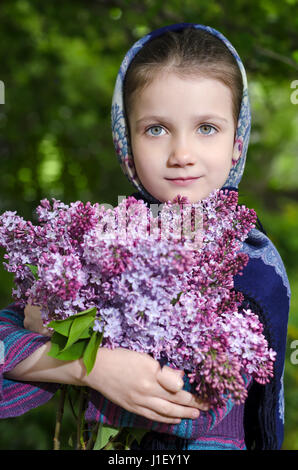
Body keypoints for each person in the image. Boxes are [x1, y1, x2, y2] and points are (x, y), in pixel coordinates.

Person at [0, 23, 290, 450]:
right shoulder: (99, 242)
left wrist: (59, 342)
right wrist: (92, 367)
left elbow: (193, 402)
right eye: (156, 129)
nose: (182, 154)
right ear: (126, 140)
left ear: (237, 142)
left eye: (207, 128)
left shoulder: (252, 266)